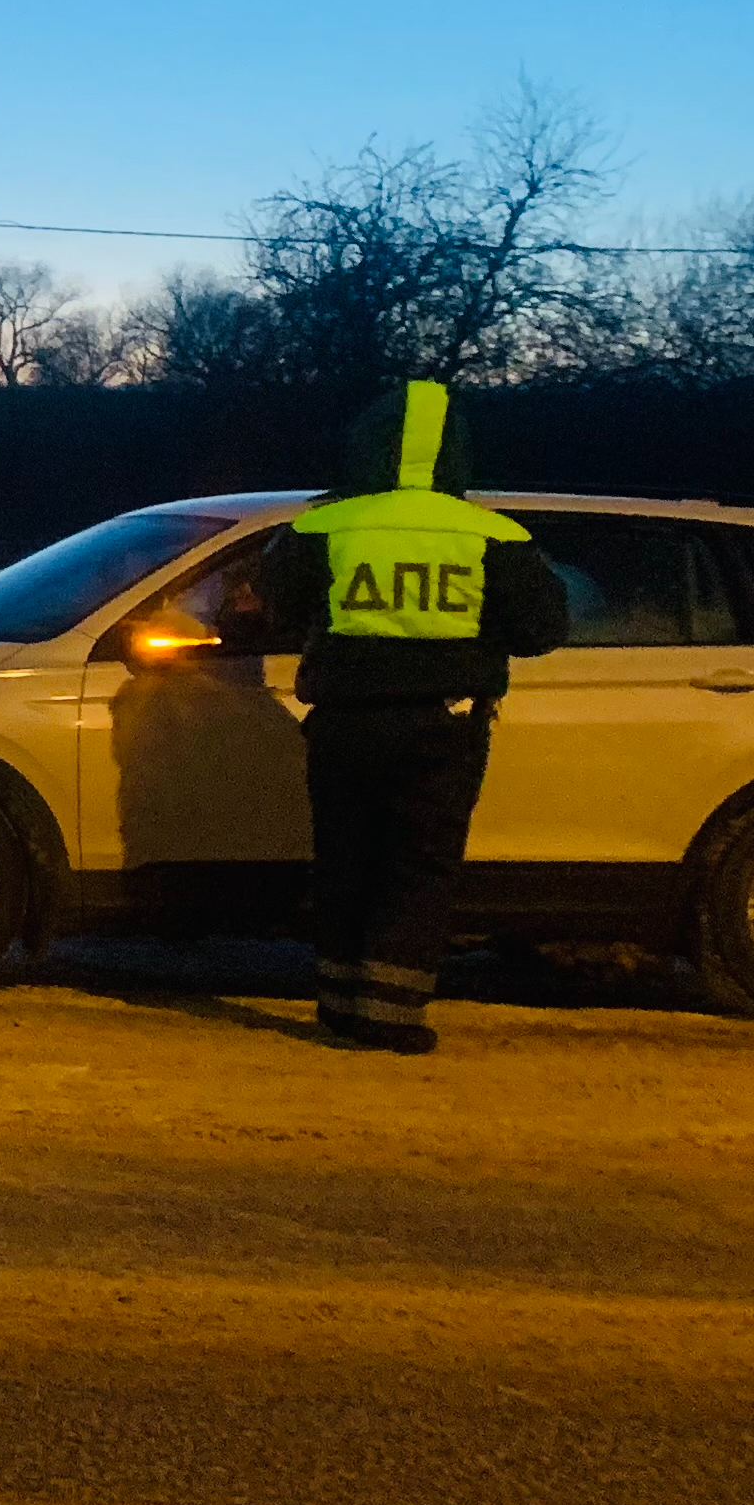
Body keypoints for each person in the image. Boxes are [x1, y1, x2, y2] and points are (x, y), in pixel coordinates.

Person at [256, 379, 567, 1053]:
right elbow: (542, 627)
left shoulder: (323, 523)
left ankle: (338, 1004)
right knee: (418, 865)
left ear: (365, 447)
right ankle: (390, 1012)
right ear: (456, 452)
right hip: (444, 724)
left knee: (344, 860)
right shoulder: (493, 533)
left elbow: (269, 603)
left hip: (344, 720)